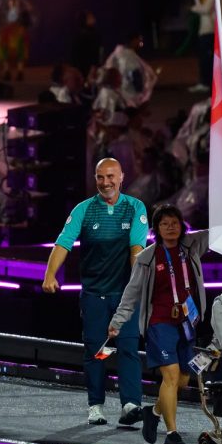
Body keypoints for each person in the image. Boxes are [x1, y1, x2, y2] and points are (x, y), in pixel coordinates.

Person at [42, 157, 148, 426]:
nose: (105, 182)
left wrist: (137, 287)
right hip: (93, 295)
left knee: (127, 348)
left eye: (111, 176)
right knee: (96, 351)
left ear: (122, 177)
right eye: (100, 177)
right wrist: (50, 274)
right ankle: (96, 405)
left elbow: (136, 249)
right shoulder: (83, 209)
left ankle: (130, 404)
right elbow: (63, 243)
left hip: (125, 297)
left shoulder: (136, 208)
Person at [108, 205, 209, 444]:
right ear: (157, 229)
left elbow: (217, 231)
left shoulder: (192, 246)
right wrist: (118, 321)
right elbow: (131, 293)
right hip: (159, 324)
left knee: (184, 380)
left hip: (186, 323)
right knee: (171, 376)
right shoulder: (148, 257)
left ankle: (153, 412)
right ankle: (171, 433)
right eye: (164, 224)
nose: (170, 228)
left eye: (174, 222)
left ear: (182, 225)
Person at [189, 0, 221, 93]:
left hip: (209, 30)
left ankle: (206, 83)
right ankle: (206, 82)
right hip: (208, 30)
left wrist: (194, 8)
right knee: (206, 57)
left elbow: (206, 10)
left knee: (206, 58)